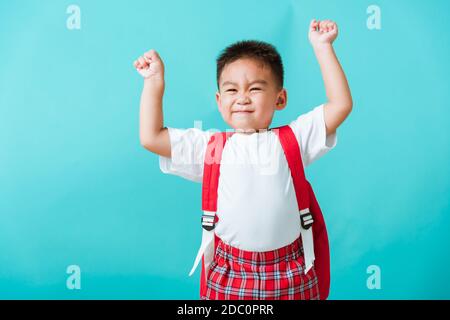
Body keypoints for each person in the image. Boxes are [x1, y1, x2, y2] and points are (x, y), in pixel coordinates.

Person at [134, 19, 352, 300]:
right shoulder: (210, 147)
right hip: (229, 272)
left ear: (280, 99)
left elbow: (340, 105)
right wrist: (153, 83)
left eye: (256, 88)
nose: (242, 98)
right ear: (218, 100)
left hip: (291, 270)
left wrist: (323, 48)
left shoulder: (294, 139)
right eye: (232, 90)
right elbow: (151, 137)